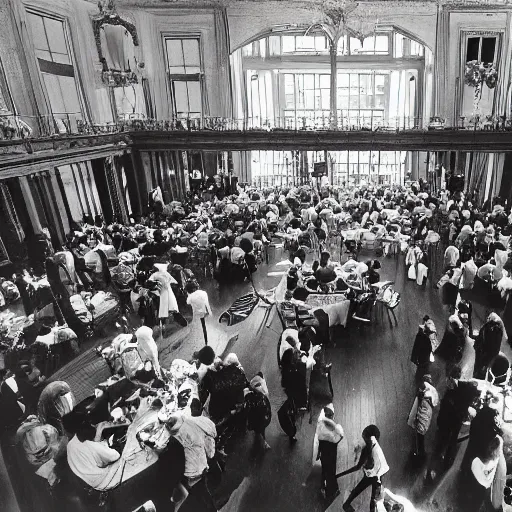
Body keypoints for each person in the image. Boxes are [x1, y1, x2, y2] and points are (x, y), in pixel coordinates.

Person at [64, 412, 122, 491]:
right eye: (89, 424)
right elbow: (114, 456)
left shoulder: (70, 445)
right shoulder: (87, 444)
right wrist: (117, 442)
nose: (91, 425)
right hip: (105, 480)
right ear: (83, 427)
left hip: (90, 482)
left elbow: (93, 455)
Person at [339, 424, 389, 512]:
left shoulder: (376, 453)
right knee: (359, 490)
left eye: (365, 437)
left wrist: (377, 480)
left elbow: (379, 469)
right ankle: (347, 505)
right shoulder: (369, 445)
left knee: (373, 500)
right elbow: (360, 464)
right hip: (371, 473)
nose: (364, 439)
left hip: (378, 475)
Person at [316, 404, 344, 500]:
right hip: (331, 454)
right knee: (331, 471)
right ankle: (331, 490)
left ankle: (325, 487)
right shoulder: (337, 429)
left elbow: (320, 441)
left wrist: (318, 452)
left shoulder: (320, 427)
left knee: (325, 469)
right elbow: (341, 437)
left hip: (324, 453)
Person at [407, 374, 439, 457]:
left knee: (419, 436)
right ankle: (421, 451)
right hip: (427, 416)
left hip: (422, 418)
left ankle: (420, 452)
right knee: (421, 434)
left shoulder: (423, 394)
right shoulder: (432, 392)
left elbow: (419, 407)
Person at [186, 281, 212, 345]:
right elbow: (206, 303)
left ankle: (204, 342)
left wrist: (189, 295)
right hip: (206, 312)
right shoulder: (203, 292)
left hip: (197, 315)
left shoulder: (190, 297)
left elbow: (188, 302)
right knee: (205, 327)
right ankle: (207, 341)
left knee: (200, 328)